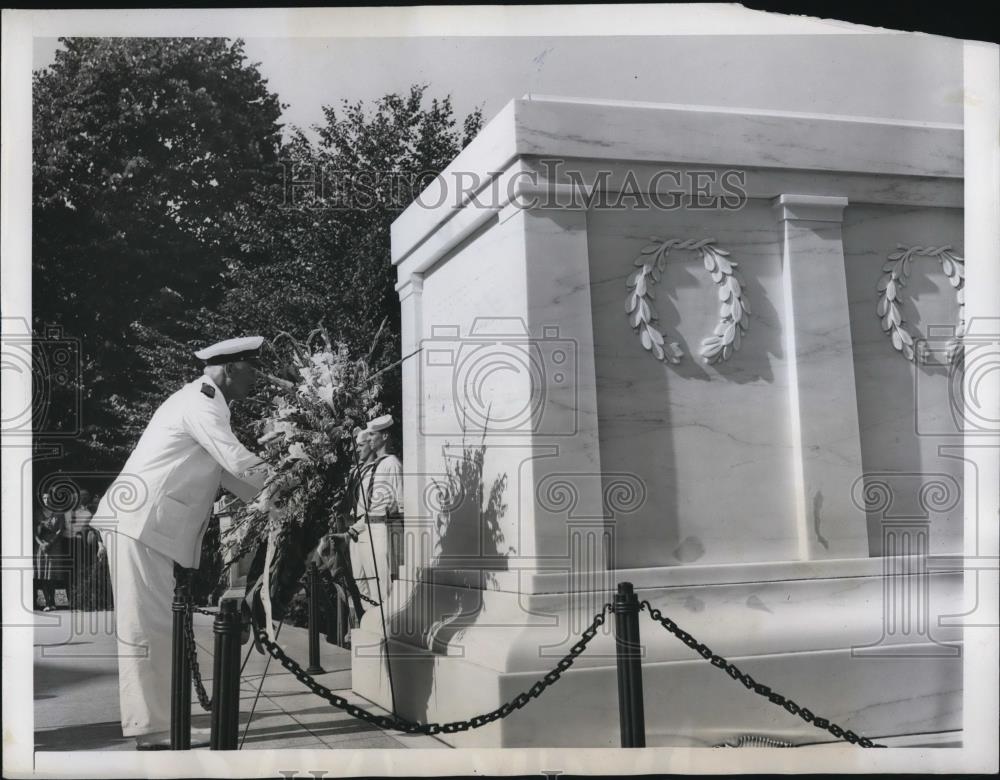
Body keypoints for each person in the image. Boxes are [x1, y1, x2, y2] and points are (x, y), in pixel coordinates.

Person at [95, 336, 269, 750]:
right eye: (252, 367)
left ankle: (164, 723)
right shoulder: (202, 402)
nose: (257, 377)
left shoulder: (205, 402)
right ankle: (153, 730)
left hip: (146, 524)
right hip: (141, 523)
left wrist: (276, 495)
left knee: (160, 628)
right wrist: (288, 478)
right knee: (147, 629)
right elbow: (236, 459)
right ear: (228, 368)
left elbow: (229, 476)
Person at [348, 414, 403, 608]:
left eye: (373, 435)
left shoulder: (392, 464)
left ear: (385, 436)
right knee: (369, 584)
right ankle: (373, 626)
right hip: (367, 529)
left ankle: (386, 630)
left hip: (382, 529)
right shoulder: (376, 466)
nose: (369, 439)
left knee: (383, 584)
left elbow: (401, 503)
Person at [34, 492, 68, 611]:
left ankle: (52, 602)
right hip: (41, 546)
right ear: (42, 500)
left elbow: (60, 530)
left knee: (51, 574)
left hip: (53, 545)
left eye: (48, 498)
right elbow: (34, 531)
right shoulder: (38, 513)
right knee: (42, 574)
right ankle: (47, 603)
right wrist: (41, 543)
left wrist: (50, 543)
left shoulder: (59, 513)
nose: (46, 500)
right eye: (44, 498)